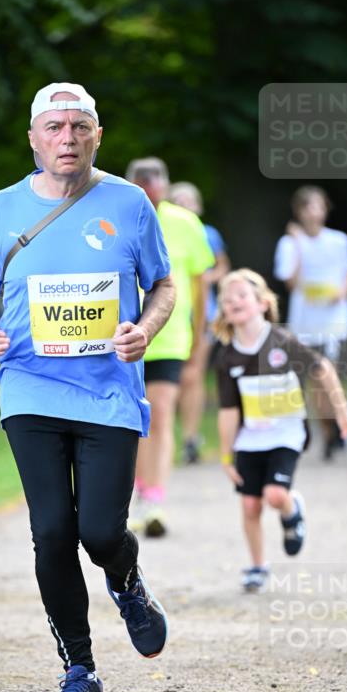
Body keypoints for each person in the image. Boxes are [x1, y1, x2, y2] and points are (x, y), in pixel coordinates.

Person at [0, 83, 176, 692]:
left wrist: (146, 329)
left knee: (100, 531)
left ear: (97, 136)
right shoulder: (1, 209)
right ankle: (81, 669)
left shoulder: (129, 203)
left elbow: (163, 285)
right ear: (34, 139)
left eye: (79, 126)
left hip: (108, 392)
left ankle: (127, 583)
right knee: (51, 531)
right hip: (29, 386)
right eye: (54, 127)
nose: (67, 138)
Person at [215, 270, 347, 593]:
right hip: (250, 438)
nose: (234, 302)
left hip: (286, 434)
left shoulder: (282, 341)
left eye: (241, 295)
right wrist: (226, 454)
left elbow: (323, 369)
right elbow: (228, 411)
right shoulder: (227, 357)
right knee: (250, 506)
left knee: (275, 495)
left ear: (263, 303)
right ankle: (257, 566)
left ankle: (292, 510)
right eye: (226, 299)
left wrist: (342, 410)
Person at [124, 158, 214, 536]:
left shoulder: (186, 223)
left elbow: (200, 284)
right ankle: (135, 491)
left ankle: (154, 498)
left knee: (160, 414)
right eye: (141, 180)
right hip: (123, 336)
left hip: (171, 336)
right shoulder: (117, 217)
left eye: (155, 179)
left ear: (166, 183)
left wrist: (200, 334)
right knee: (129, 420)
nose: (149, 186)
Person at [273, 186, 347, 460]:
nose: (313, 212)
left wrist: (342, 292)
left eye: (318, 206)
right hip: (304, 323)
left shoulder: (339, 241)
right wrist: (298, 243)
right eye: (307, 206)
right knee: (315, 380)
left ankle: (337, 426)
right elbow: (291, 281)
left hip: (334, 321)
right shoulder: (288, 244)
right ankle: (330, 430)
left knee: (327, 375)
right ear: (298, 211)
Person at [170, 180, 231, 464]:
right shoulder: (163, 229)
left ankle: (191, 437)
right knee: (170, 379)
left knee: (192, 374)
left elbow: (222, 267)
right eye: (178, 201)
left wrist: (202, 278)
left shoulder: (208, 233)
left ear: (199, 206)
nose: (185, 205)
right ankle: (167, 435)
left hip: (203, 311)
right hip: (172, 312)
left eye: (189, 200)